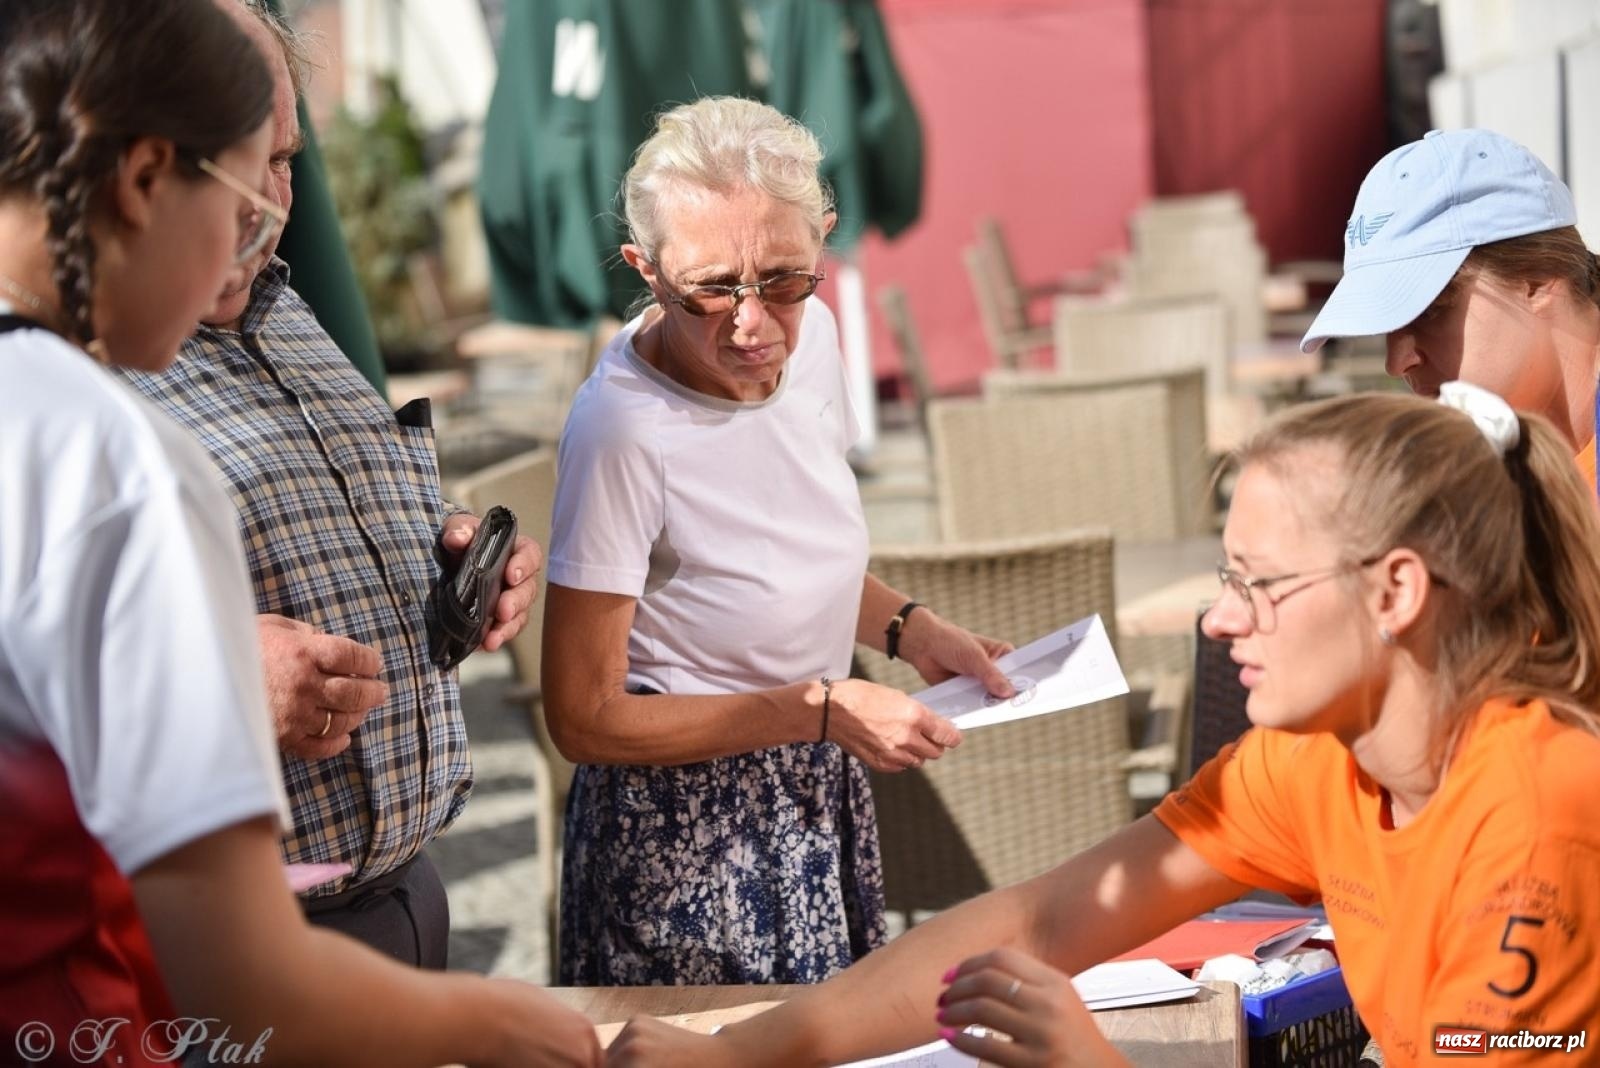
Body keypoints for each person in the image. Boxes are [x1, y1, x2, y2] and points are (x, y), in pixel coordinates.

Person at [606, 385, 1600, 1067]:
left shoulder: (1541, 824)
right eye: (1225, 579)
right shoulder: (1312, 761)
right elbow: (1039, 921)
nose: (1219, 620)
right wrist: (738, 1052)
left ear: (1395, 592)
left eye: (1256, 584)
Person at [0, 1, 599, 1065]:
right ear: (145, 179)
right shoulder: (110, 450)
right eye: (242, 194)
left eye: (288, 171)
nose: (264, 227)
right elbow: (239, 981)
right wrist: (514, 1024)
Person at [542, 95, 1014, 987]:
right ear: (646, 270)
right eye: (711, 288)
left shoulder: (817, 337)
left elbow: (785, 554)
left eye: (786, 280)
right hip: (685, 839)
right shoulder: (622, 432)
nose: (753, 325)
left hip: (815, 778)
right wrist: (820, 710)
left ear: (823, 243)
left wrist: (913, 630)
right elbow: (581, 716)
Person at [112, 0, 543, 968]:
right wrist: (219, 674)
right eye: (239, 162)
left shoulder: (285, 305)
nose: (272, 200)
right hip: (225, 948)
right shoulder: (63, 363)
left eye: (286, 159)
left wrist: (451, 554)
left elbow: (304, 517)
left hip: (405, 896)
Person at [1302, 127, 1600, 490]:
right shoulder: (1483, 481)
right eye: (1388, 323)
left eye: (1429, 310)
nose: (1396, 363)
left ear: (1537, 280)